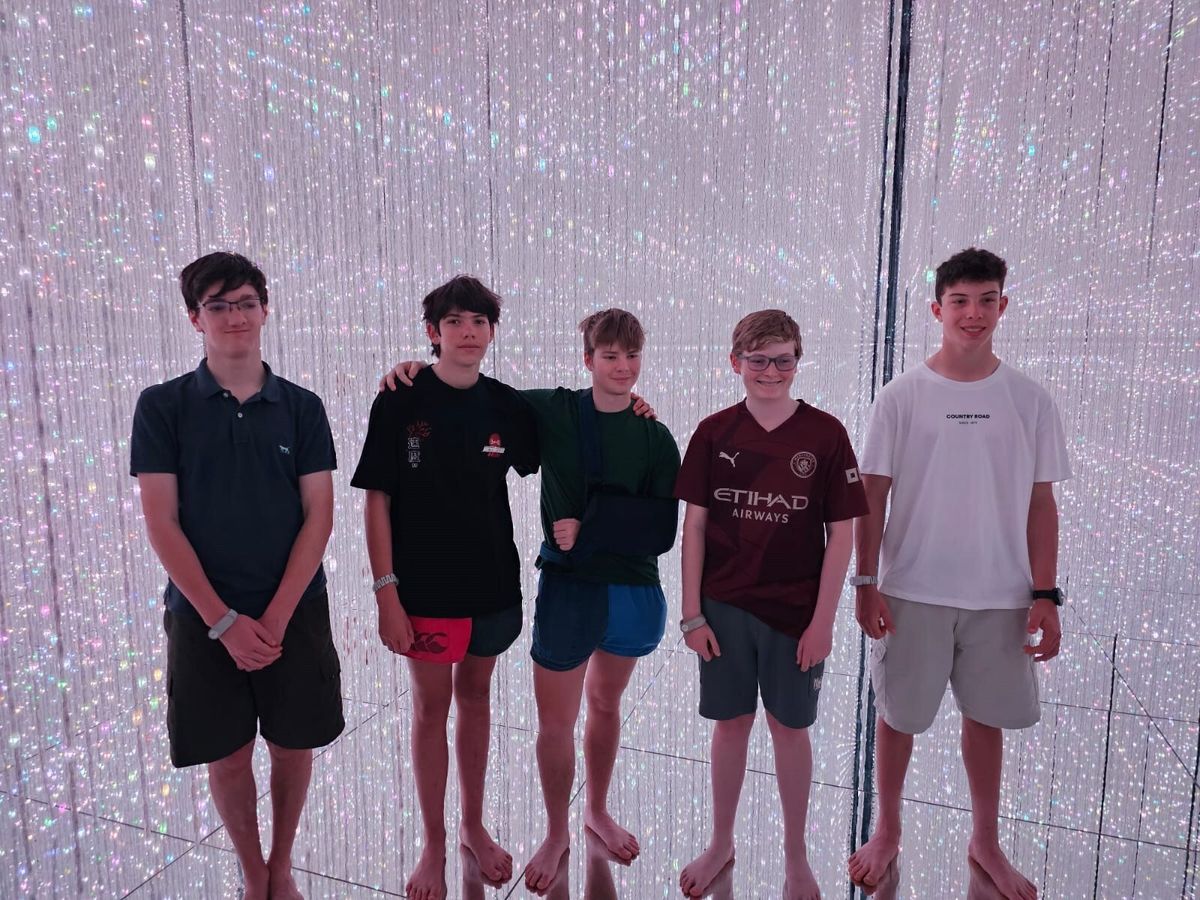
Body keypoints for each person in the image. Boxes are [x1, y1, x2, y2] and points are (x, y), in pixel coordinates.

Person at [382, 309, 680, 893]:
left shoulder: (655, 435)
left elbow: (662, 529)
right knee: (555, 723)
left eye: (631, 356)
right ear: (587, 360)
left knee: (607, 705)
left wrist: (592, 528)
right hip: (569, 588)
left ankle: (597, 810)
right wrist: (418, 370)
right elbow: (472, 390)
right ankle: (556, 830)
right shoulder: (556, 410)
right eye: (610, 356)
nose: (623, 367)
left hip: (633, 589)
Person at [847, 248, 1070, 900]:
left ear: (1004, 306)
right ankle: (887, 829)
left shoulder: (1029, 400)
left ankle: (985, 841)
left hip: (1000, 595)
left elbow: (1041, 503)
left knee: (986, 718)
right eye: (961, 302)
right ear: (937, 309)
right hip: (912, 589)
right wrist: (865, 583)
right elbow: (872, 494)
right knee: (899, 717)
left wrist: (1045, 593)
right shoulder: (902, 397)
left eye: (986, 300)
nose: (974, 313)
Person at [131, 252, 342, 900]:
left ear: (265, 310)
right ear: (195, 318)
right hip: (202, 616)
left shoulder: (301, 407)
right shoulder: (162, 406)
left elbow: (320, 515)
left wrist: (274, 618)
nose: (235, 317)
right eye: (218, 306)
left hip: (293, 610)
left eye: (246, 302)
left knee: (292, 746)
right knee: (226, 753)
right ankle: (253, 872)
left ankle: (282, 864)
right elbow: (162, 521)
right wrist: (223, 622)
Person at [351, 275, 539, 900]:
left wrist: (635, 403)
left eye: (479, 322)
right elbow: (377, 500)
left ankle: (472, 826)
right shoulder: (399, 399)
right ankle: (433, 843)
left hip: (492, 583)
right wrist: (386, 592)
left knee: (477, 699)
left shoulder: (506, 405)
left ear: (492, 331)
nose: (468, 332)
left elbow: (571, 422)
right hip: (424, 589)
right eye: (454, 321)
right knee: (431, 709)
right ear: (432, 332)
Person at [674, 310, 867, 899]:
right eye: (758, 360)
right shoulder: (714, 432)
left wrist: (824, 622)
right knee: (731, 725)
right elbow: (695, 528)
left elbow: (842, 536)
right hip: (724, 608)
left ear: (798, 361)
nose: (770, 371)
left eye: (783, 360)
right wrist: (691, 614)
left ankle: (796, 856)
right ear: (735, 362)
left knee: (789, 729)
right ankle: (721, 842)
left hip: (794, 613)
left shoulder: (826, 435)